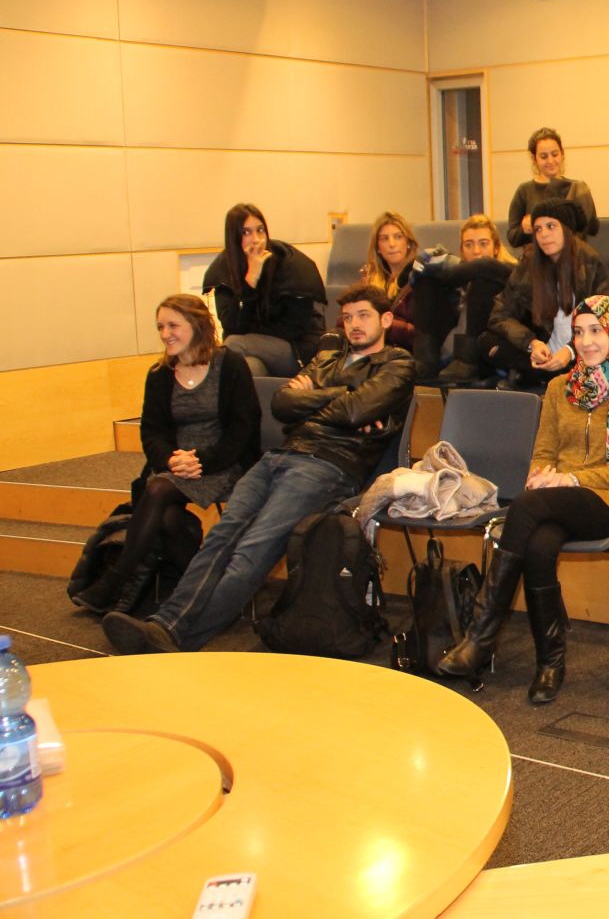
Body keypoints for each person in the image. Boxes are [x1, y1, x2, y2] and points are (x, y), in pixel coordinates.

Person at [102, 284, 415, 655]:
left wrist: (321, 401)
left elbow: (356, 412)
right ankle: (164, 625)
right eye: (347, 318)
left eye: (363, 316)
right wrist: (343, 395)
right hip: (279, 457)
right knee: (221, 538)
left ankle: (180, 637)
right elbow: (282, 404)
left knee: (253, 549)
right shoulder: (328, 359)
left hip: (328, 465)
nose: (354, 325)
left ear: (386, 319)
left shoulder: (398, 363)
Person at [437, 295, 609, 703]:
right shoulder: (559, 388)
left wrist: (573, 478)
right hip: (557, 497)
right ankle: (549, 664)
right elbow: (543, 452)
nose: (587, 341)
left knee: (524, 507)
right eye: (579, 332)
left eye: (596, 331)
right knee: (539, 546)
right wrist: (543, 476)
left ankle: (482, 635)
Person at [70, 296, 261, 614]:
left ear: (197, 326)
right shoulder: (159, 373)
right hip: (177, 465)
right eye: (160, 326)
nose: (165, 333)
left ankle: (117, 580)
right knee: (169, 515)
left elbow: (243, 429)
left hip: (224, 462)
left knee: (157, 489)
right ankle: (199, 588)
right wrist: (171, 460)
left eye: (173, 325)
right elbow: (152, 432)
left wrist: (202, 460)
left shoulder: (229, 365)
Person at [485, 199, 609, 390]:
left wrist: (571, 351)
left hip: (581, 354)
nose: (544, 234)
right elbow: (500, 314)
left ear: (567, 229)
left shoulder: (590, 262)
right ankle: (544, 374)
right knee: (486, 341)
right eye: (538, 229)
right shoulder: (530, 263)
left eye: (551, 226)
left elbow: (608, 319)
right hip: (546, 351)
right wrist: (532, 343)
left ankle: (540, 376)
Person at [202, 203, 327, 375]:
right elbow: (232, 325)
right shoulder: (223, 271)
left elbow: (296, 327)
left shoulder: (290, 264)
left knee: (233, 345)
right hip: (254, 349)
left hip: (298, 349)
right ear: (233, 238)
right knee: (247, 367)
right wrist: (250, 281)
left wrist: (252, 332)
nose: (256, 239)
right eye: (246, 232)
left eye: (260, 230)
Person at [409, 214, 518, 384]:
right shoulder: (460, 277)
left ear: (496, 248)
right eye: (469, 245)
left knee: (483, 281)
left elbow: (485, 266)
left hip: (487, 351)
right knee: (427, 280)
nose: (476, 251)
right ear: (461, 249)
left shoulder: (509, 271)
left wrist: (446, 266)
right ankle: (425, 360)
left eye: (483, 243)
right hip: (448, 349)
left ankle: (467, 362)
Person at [507, 128, 600, 248]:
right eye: (544, 157)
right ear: (534, 159)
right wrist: (525, 229)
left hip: (571, 258)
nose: (550, 161)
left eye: (555, 154)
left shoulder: (577, 189)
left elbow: (593, 228)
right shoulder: (524, 191)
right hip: (536, 261)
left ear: (562, 154)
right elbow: (512, 238)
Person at [359, 211, 419, 356]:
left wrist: (382, 324)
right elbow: (347, 317)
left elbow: (419, 334)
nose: (392, 244)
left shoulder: (420, 278)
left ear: (408, 243)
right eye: (384, 239)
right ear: (378, 248)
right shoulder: (369, 278)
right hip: (371, 350)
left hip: (404, 354)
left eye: (398, 237)